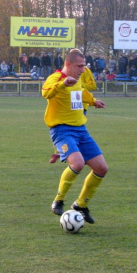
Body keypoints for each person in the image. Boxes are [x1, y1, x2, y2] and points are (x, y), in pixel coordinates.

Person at [42, 48, 107, 224]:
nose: (82, 70)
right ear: (68, 64)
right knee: (77, 163)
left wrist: (93, 101)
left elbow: (81, 93)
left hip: (81, 130)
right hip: (62, 130)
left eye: (84, 66)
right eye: (79, 66)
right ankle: (59, 200)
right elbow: (45, 92)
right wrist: (63, 84)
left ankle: (80, 205)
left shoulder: (78, 79)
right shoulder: (55, 78)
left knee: (101, 168)